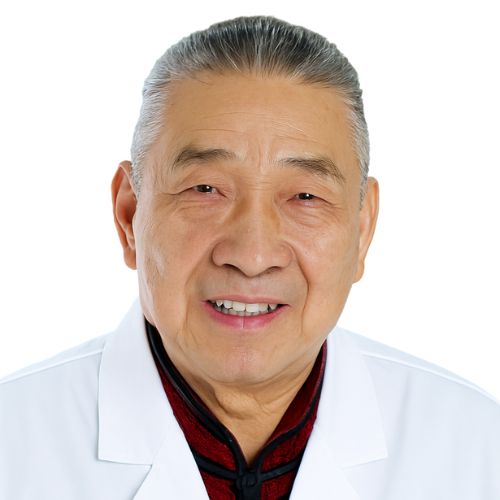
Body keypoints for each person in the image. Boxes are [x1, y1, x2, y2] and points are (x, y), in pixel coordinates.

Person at [1, 15, 499, 500]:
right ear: (130, 215)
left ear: (363, 228)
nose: (253, 256)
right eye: (205, 189)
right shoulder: (14, 446)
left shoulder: (476, 449)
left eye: (305, 196)